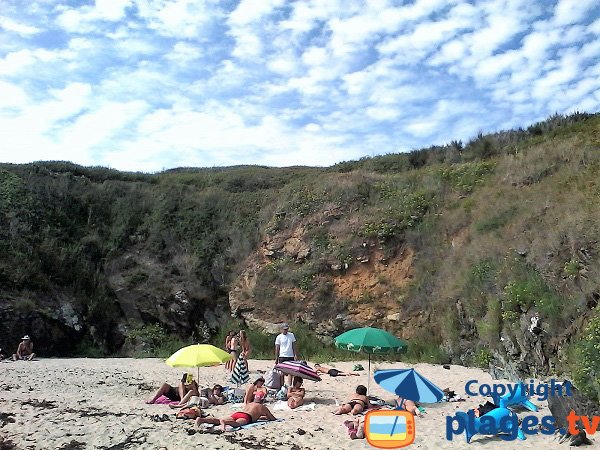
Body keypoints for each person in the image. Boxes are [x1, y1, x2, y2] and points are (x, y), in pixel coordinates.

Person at [196, 402, 277, 432]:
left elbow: (252, 414)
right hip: (247, 417)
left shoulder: (250, 404)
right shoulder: (262, 407)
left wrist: (260, 417)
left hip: (238, 413)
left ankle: (202, 420)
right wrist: (266, 416)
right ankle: (225, 423)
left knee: (218, 420)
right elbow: (272, 418)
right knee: (237, 424)